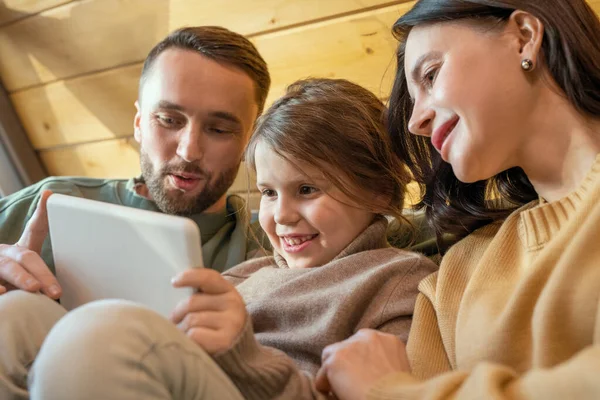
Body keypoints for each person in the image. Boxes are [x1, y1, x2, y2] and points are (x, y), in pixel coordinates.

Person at [14, 78, 438, 399]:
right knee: (18, 313)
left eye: (308, 190)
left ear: (380, 192)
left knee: (105, 334)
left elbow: (380, 389)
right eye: (270, 193)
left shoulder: (397, 279)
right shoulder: (251, 271)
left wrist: (244, 355)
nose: (282, 215)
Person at [314, 1, 600, 399]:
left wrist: (387, 390)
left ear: (524, 38)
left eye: (430, 75)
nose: (415, 122)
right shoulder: (453, 279)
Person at [0, 26, 271, 399]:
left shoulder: (273, 244)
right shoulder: (52, 202)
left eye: (220, 128)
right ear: (139, 123)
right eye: (170, 120)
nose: (189, 150)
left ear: (249, 141)